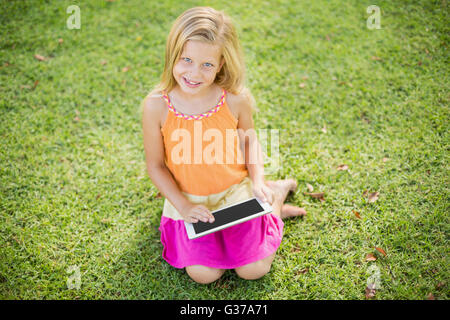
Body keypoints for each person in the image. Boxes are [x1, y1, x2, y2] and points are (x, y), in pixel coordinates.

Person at [141, 6, 306, 284]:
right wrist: (182, 205)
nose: (194, 73)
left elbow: (250, 143)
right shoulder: (156, 106)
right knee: (203, 274)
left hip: (235, 194)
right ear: (173, 56)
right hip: (190, 199)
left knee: (253, 270)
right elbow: (155, 166)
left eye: (207, 64)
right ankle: (269, 205)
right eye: (186, 60)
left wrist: (257, 180)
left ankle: (273, 199)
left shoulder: (234, 99)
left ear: (221, 64)